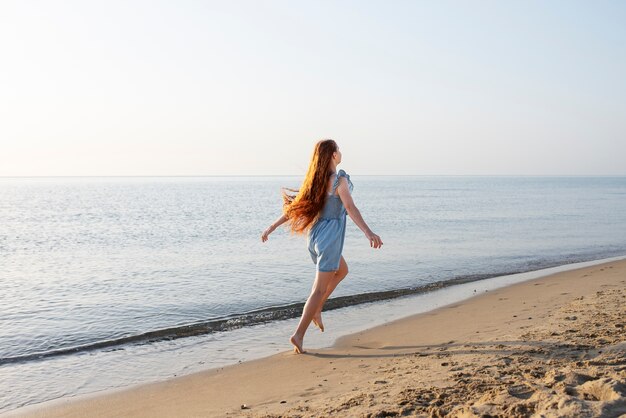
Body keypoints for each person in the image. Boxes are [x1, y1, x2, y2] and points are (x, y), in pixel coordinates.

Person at [261, 139, 383, 354]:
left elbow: (292, 209)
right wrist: (368, 232)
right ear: (333, 155)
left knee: (342, 270)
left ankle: (317, 309)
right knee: (317, 290)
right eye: (339, 149)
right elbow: (350, 207)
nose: (341, 152)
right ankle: (299, 334)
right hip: (329, 239)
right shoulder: (338, 181)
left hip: (316, 237)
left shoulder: (315, 182)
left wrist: (271, 227)